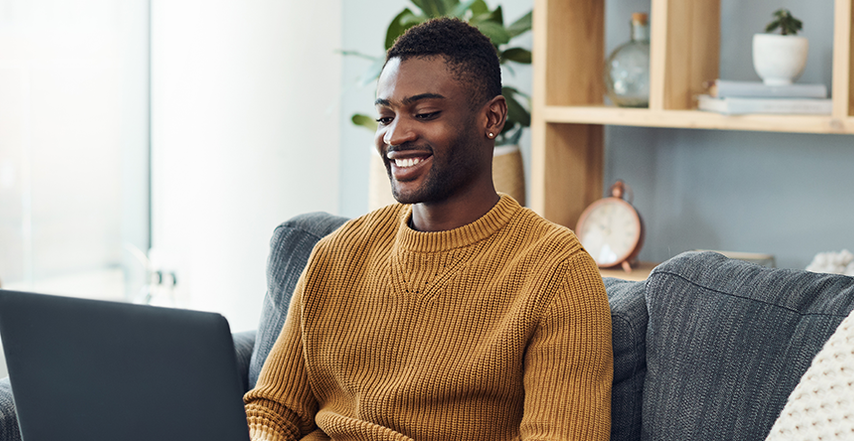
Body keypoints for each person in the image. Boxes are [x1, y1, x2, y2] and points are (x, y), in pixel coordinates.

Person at [243, 17, 613, 441]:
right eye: (385, 117)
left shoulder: (557, 272)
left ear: (492, 117)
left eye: (425, 114)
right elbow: (273, 408)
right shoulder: (337, 253)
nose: (394, 136)